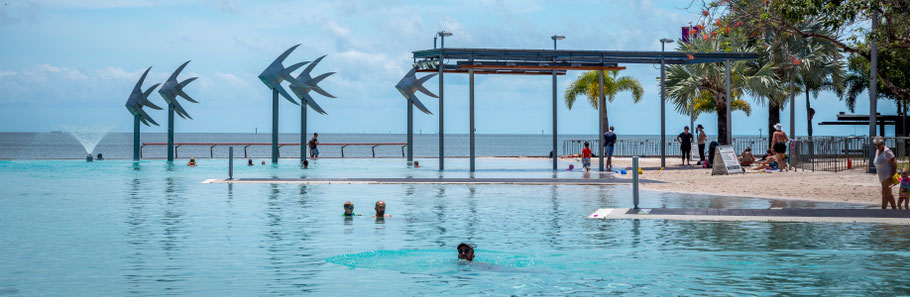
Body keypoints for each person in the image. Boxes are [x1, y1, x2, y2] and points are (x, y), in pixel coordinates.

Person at [873, 136, 898, 209]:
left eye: (879, 145)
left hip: (888, 175)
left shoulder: (887, 151)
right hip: (881, 176)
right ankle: (894, 209)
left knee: (885, 193)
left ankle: (883, 209)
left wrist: (894, 173)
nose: (877, 146)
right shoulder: (877, 151)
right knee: (888, 194)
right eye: (876, 145)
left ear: (882, 143)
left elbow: (894, 162)